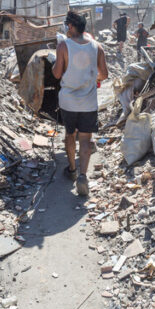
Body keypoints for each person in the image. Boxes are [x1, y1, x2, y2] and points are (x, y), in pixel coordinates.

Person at [52, 11, 108, 196]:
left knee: (70, 134)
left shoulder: (63, 46)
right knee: (86, 139)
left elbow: (57, 74)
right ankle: (83, 176)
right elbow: (104, 75)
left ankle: (72, 170)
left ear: (71, 26)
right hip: (88, 102)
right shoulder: (97, 46)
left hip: (68, 102)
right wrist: (90, 78)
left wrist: (55, 64)